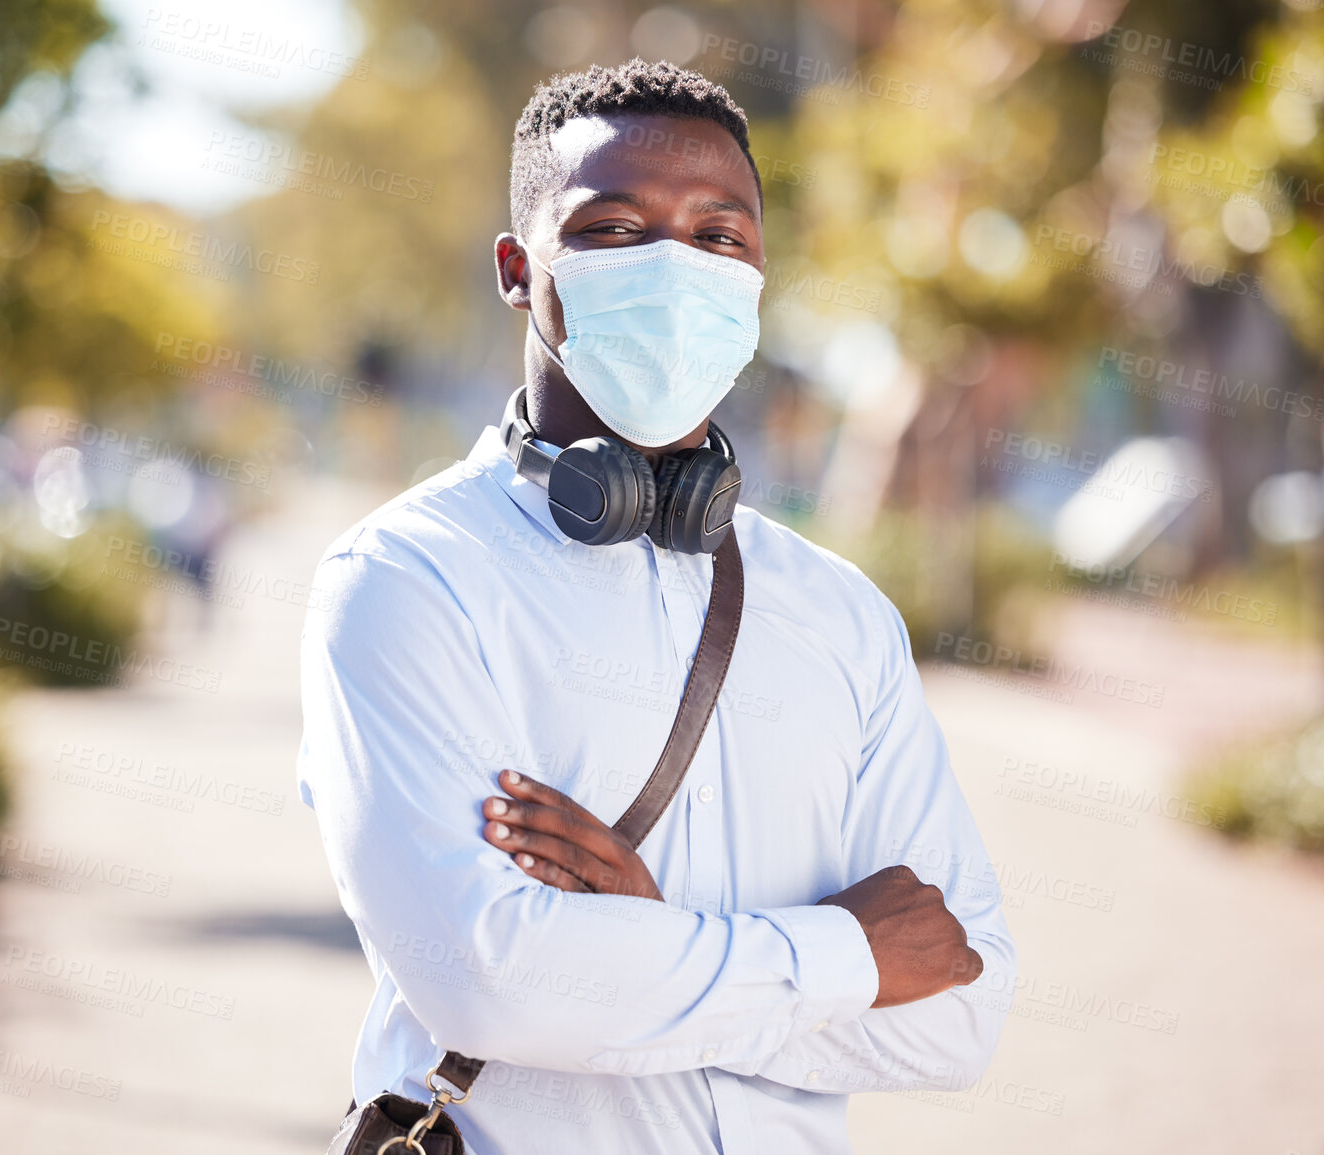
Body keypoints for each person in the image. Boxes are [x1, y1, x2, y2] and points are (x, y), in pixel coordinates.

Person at [298, 58, 1015, 1154]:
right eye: (617, 232)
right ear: (516, 268)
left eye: (720, 237)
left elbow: (961, 1010)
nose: (679, 269)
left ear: (761, 272)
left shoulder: (841, 616)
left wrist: (655, 951)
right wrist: (843, 960)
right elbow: (488, 984)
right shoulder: (406, 581)